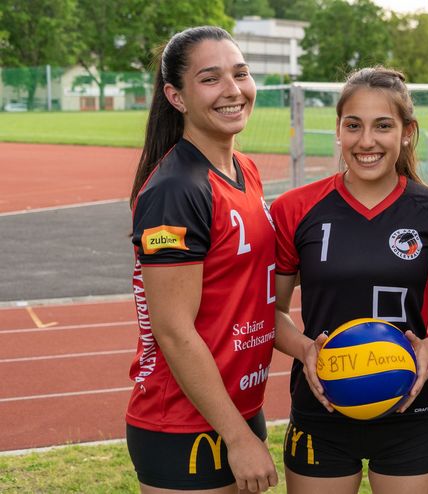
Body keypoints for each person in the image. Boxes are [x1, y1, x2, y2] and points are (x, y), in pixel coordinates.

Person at [270, 67, 428, 494]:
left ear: (407, 132)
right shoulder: (295, 209)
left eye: (383, 126)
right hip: (321, 407)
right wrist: (305, 349)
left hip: (410, 410)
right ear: (338, 130)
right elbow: (273, 311)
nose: (366, 141)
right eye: (353, 125)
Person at [126, 26, 278, 493]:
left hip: (237, 408)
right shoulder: (176, 190)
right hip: (183, 422)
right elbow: (173, 330)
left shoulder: (245, 169)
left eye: (241, 73)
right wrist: (237, 437)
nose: (233, 90)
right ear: (176, 96)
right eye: (211, 79)